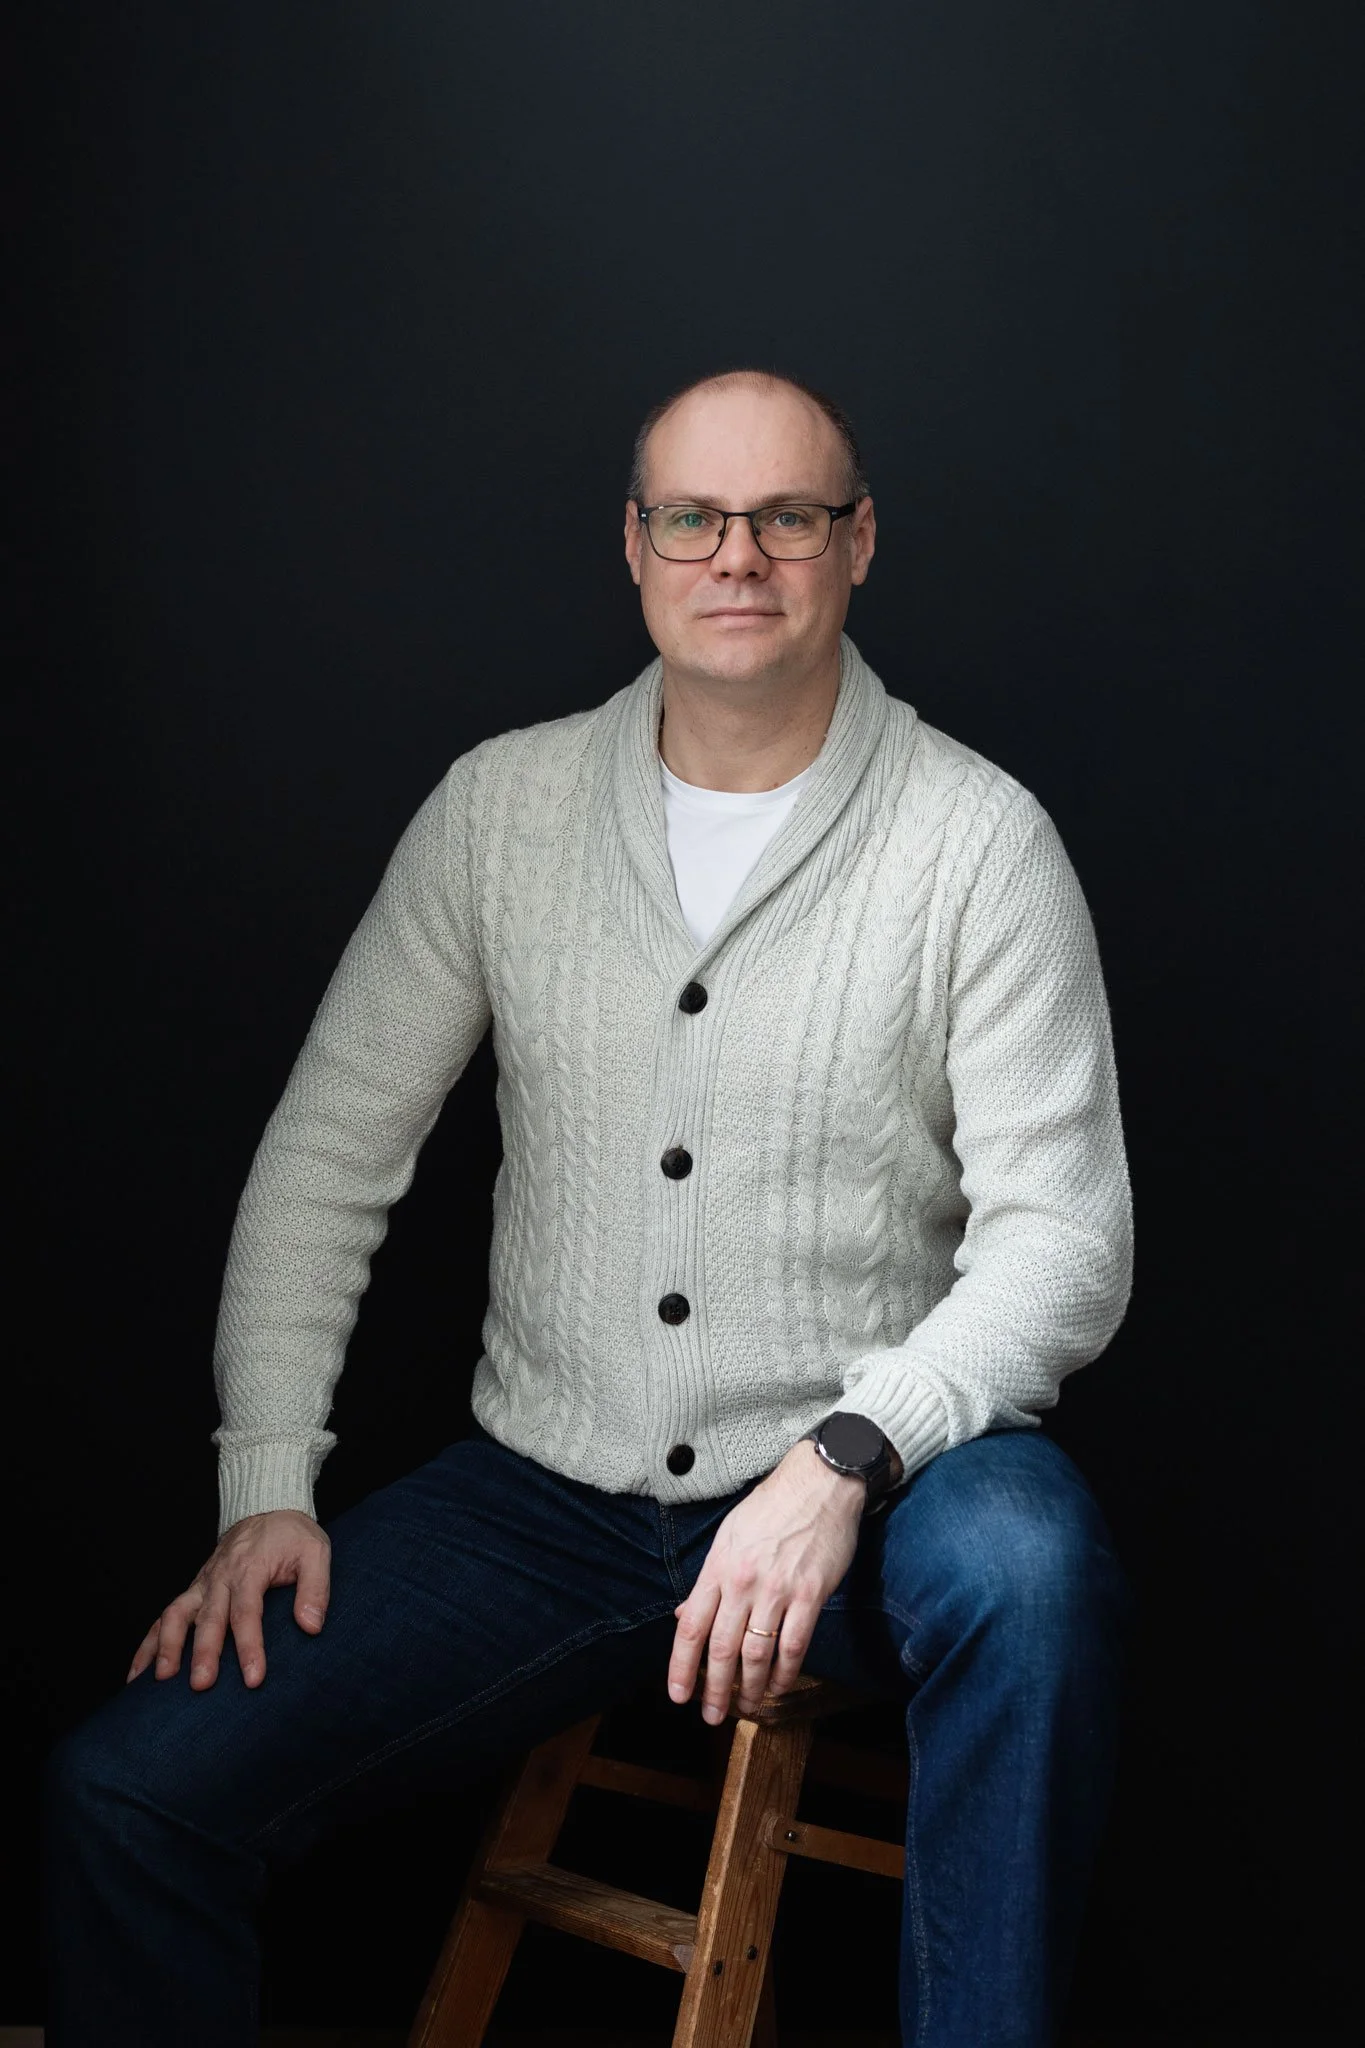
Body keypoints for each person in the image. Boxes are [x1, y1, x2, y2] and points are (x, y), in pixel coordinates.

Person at [40, 367, 1135, 2046]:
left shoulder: (979, 842)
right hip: (541, 1505)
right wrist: (266, 1482)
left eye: (786, 517)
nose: (738, 556)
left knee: (1032, 1561)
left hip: (874, 1495)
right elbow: (326, 1157)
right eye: (695, 517)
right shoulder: (503, 810)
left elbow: (1065, 1241)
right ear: (635, 546)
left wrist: (844, 1459)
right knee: (128, 1792)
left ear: (858, 544)